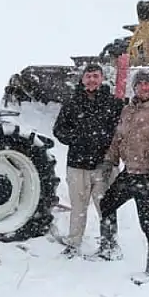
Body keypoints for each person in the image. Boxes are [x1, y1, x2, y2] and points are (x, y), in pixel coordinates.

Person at [93, 70, 149, 283]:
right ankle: (109, 247)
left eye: (147, 84)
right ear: (135, 88)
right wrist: (110, 160)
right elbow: (118, 138)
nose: (144, 87)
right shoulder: (128, 110)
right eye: (140, 85)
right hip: (128, 173)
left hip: (147, 176)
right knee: (107, 204)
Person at [51, 64, 126, 257]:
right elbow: (58, 130)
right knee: (78, 206)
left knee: (107, 207)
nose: (92, 80)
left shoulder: (112, 103)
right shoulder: (72, 102)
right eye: (88, 76)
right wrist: (76, 138)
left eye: (95, 76)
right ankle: (74, 242)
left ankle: (109, 244)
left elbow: (122, 130)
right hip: (77, 164)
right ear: (82, 79)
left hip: (103, 165)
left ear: (101, 79)